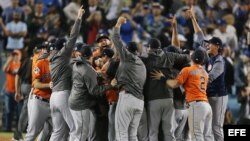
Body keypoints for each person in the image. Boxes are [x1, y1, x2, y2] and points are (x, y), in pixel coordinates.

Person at [151, 49, 214, 141]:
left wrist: (163, 78)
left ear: (192, 57)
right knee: (208, 136)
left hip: (196, 105)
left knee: (196, 136)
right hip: (207, 105)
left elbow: (174, 84)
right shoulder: (205, 72)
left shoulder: (188, 70)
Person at [188, 7, 227, 141]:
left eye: (210, 44)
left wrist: (193, 78)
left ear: (217, 46)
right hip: (208, 95)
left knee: (216, 126)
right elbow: (199, 34)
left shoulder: (219, 61)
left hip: (218, 96)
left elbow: (209, 78)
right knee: (207, 128)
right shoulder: (208, 53)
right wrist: (193, 18)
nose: (208, 45)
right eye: (208, 44)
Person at [48, 6, 84, 141]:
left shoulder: (53, 59)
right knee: (75, 128)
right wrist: (79, 17)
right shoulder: (63, 55)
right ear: (62, 47)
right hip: (63, 94)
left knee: (57, 132)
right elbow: (73, 36)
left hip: (53, 98)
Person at [111, 16, 147, 141]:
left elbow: (115, 38)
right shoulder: (141, 63)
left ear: (127, 50)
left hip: (127, 97)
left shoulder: (128, 57)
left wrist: (118, 24)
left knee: (121, 134)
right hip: (139, 102)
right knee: (132, 135)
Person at [69, 43, 114, 141]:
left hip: (74, 100)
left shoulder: (76, 64)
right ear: (91, 55)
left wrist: (97, 75)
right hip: (80, 104)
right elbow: (95, 91)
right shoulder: (88, 69)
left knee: (76, 133)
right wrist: (111, 85)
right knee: (81, 135)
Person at [25, 43, 52, 141]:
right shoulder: (39, 61)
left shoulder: (59, 64)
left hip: (53, 102)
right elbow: (35, 84)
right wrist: (48, 85)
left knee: (54, 131)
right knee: (32, 132)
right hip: (39, 100)